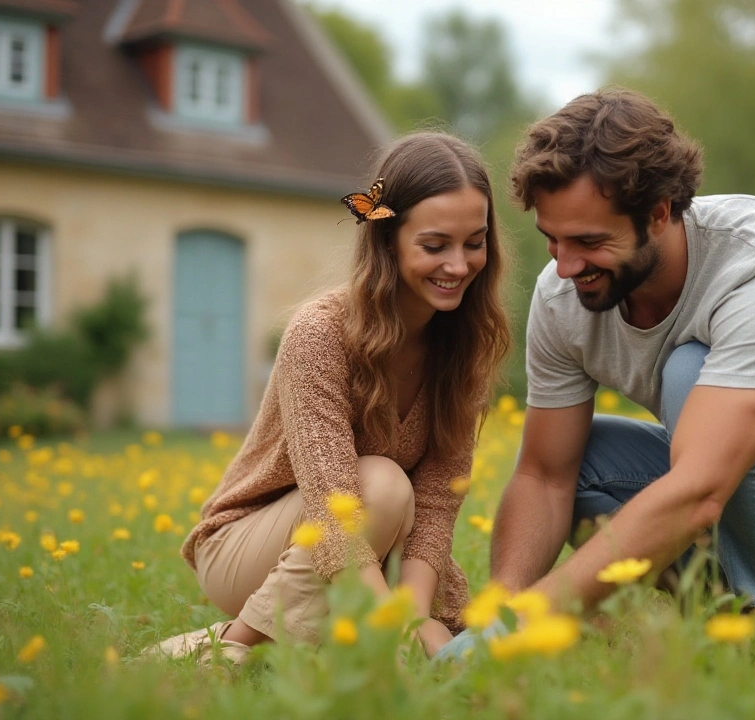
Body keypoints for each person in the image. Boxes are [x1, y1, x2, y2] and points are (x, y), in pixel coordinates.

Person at [442, 88, 755, 656]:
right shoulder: (562, 293)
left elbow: (702, 489)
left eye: (588, 241)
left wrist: (527, 624)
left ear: (659, 213)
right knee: (581, 453)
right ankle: (728, 612)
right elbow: (543, 476)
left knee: (691, 370)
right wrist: (498, 618)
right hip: (742, 499)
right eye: (552, 239)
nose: (564, 265)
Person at [147, 132, 511, 667]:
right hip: (252, 543)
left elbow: (436, 501)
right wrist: (393, 633)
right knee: (381, 486)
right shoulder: (320, 333)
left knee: (442, 633)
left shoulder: (465, 347)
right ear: (388, 239)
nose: (457, 265)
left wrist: (410, 616)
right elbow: (331, 500)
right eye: (435, 246)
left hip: (381, 540)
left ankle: (227, 646)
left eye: (473, 243)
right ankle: (237, 643)